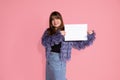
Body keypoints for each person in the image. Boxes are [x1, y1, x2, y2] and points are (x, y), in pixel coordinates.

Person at [41, 11, 96, 80]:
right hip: (50, 59)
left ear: (61, 19)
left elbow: (79, 44)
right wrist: (58, 35)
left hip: (60, 59)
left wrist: (88, 35)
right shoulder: (48, 31)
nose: (55, 21)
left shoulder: (67, 31)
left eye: (57, 19)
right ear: (50, 21)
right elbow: (44, 42)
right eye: (53, 19)